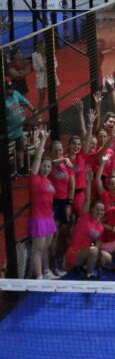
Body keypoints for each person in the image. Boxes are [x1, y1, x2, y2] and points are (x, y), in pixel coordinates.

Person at [27, 127, 58, 280]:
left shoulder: (48, 181)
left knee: (46, 247)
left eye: (48, 167)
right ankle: (39, 278)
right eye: (43, 166)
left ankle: (46, 272)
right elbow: (38, 157)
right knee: (38, 249)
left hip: (48, 217)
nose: (46, 168)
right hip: (38, 218)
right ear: (39, 167)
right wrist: (43, 141)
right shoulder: (34, 179)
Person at [5, 79, 35, 176]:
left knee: (20, 147)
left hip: (18, 129)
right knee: (8, 152)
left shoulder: (15, 94)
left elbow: (25, 102)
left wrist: (34, 110)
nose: (10, 90)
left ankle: (21, 167)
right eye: (8, 89)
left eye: (11, 88)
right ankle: (9, 170)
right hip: (8, 132)